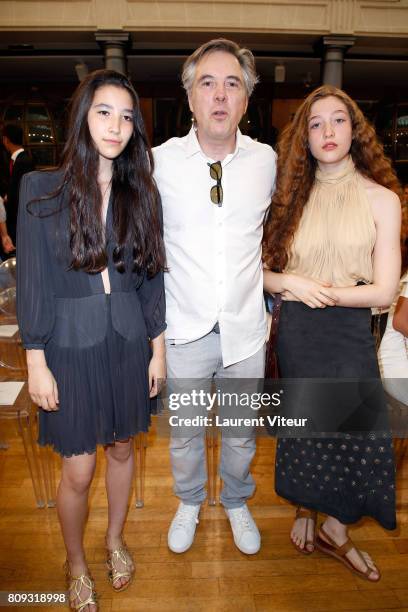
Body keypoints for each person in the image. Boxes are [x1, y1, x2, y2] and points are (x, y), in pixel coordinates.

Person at [17, 69, 166, 611]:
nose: (116, 125)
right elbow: (32, 279)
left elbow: (152, 277)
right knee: (78, 466)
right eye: (104, 111)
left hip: (129, 340)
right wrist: (36, 359)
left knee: (123, 447)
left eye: (127, 116)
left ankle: (115, 540)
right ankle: (76, 562)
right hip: (68, 348)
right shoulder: (40, 190)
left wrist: (159, 347)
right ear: (83, 116)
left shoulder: (141, 192)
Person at [263, 85, 401, 581]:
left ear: (355, 130)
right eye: (316, 123)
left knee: (360, 435)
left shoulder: (383, 199)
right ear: (304, 136)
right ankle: (307, 509)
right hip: (297, 331)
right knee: (307, 431)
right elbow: (256, 273)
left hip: (348, 331)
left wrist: (329, 294)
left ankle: (336, 528)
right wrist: (293, 283)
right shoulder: (285, 196)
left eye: (338, 120)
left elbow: (385, 291)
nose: (327, 131)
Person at [153, 39, 276, 555]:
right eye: (208, 83)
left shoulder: (266, 161)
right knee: (183, 434)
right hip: (183, 329)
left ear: (246, 100)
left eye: (233, 84)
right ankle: (189, 500)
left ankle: (236, 500)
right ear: (190, 96)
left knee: (241, 432)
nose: (220, 95)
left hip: (246, 330)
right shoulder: (159, 163)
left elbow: (278, 236)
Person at [2, 123, 34, 246]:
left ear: (6, 140)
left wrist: (8, 198)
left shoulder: (23, 161)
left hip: (19, 219)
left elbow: (22, 191)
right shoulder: (19, 159)